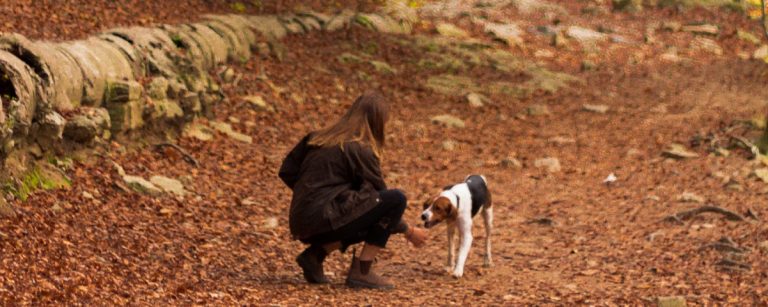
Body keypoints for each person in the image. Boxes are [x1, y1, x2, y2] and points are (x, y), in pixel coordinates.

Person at [278, 91, 428, 289]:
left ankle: (315, 256)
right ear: (377, 122)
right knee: (396, 198)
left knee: (360, 209)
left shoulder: (317, 137)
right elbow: (383, 204)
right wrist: (409, 231)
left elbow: (287, 172)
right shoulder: (360, 149)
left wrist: (310, 195)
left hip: (300, 221)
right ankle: (362, 271)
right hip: (324, 219)